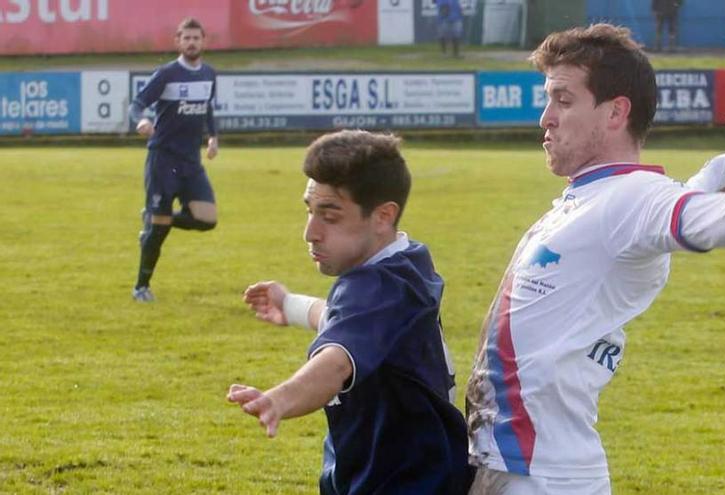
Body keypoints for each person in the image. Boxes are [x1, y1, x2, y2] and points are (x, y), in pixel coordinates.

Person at [464, 24, 725, 495]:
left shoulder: (631, 195)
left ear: (615, 113)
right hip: (514, 463)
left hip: (543, 476)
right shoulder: (601, 198)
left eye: (563, 101)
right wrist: (707, 179)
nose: (546, 118)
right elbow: (654, 217)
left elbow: (715, 224)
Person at [227, 130, 472, 494]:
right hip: (408, 470)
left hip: (402, 482)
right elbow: (348, 320)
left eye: (330, 216)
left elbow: (337, 362)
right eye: (310, 211)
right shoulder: (406, 263)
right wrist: (290, 305)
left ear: (382, 216)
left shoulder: (375, 286)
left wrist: (280, 399)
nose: (311, 232)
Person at [129, 17, 219, 302]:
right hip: (163, 159)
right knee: (159, 230)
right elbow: (137, 103)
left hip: (190, 162)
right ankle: (141, 287)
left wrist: (213, 136)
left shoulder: (209, 74)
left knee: (207, 219)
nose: (192, 43)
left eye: (196, 38)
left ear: (204, 41)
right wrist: (142, 120)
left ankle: (154, 217)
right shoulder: (167, 73)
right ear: (178, 42)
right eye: (186, 38)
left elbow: (207, 108)